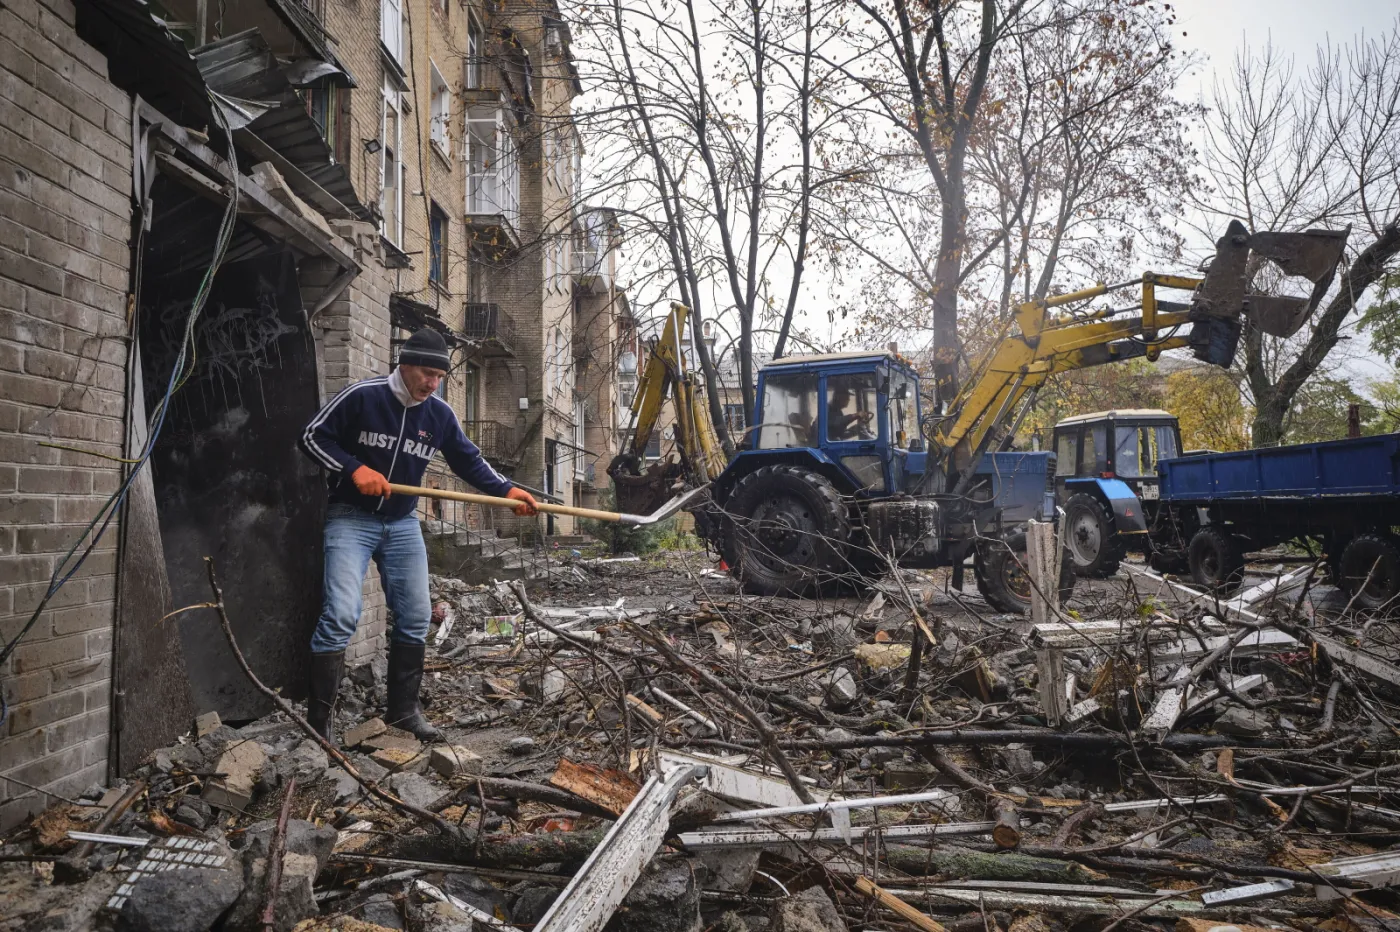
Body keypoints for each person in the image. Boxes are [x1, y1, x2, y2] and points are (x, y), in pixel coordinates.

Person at [298, 328, 538, 742]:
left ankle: (403, 713)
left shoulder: (439, 415)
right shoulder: (363, 396)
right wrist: (354, 469)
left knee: (413, 616)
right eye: (426, 373)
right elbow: (311, 437)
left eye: (439, 376)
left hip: (402, 523)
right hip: (350, 517)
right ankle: (319, 725)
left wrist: (507, 490)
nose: (432, 383)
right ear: (404, 365)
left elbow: (468, 461)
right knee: (340, 615)